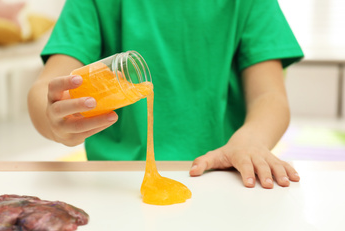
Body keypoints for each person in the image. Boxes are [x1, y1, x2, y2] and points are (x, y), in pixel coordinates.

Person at [28, 0, 303, 189]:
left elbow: (270, 97)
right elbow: (46, 89)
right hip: (115, 181)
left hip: (221, 175)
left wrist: (251, 140)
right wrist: (53, 118)